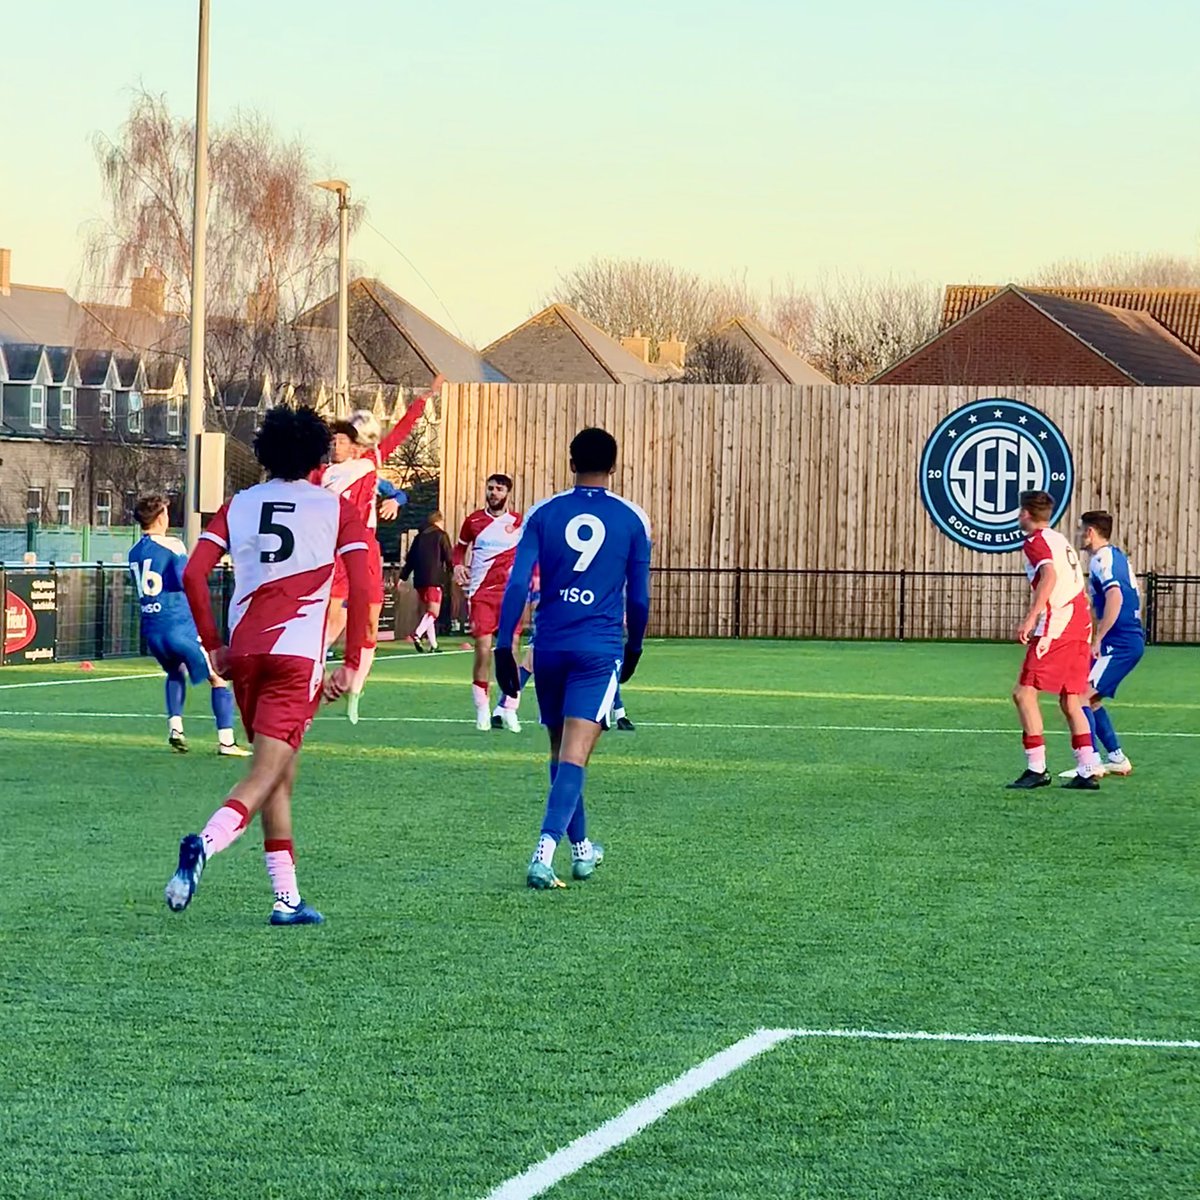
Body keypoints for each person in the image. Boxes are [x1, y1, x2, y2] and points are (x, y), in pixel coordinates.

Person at [165, 404, 372, 925]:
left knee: (280, 772)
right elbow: (366, 584)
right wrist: (351, 662)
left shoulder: (237, 504)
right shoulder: (333, 506)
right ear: (318, 454)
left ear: (263, 451)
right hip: (295, 657)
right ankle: (203, 845)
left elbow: (193, 575)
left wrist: (213, 644)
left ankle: (287, 899)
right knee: (263, 774)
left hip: (245, 652)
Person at [495, 427, 652, 888]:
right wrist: (635, 644)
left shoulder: (544, 513)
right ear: (615, 466)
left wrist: (505, 643)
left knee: (561, 754)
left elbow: (518, 583)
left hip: (550, 648)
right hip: (597, 650)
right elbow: (639, 598)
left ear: (570, 463)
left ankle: (583, 851)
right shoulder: (631, 519)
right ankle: (543, 854)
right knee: (576, 757)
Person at [315, 374, 441, 722]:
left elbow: (399, 434)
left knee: (369, 624)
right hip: (335, 554)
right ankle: (310, 673)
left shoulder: (370, 464)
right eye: (334, 440)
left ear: (355, 445)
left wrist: (424, 398)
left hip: (366, 551)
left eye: (340, 440)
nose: (334, 445)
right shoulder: (321, 474)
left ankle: (355, 691)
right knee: (332, 621)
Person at [127, 494, 248, 757]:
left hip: (152, 629)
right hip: (178, 626)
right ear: (161, 518)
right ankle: (227, 742)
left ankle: (175, 728)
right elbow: (186, 580)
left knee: (174, 673)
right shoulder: (173, 545)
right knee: (217, 678)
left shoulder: (133, 552)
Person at [1007, 490, 1102, 791]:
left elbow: (1048, 576)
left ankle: (1037, 769)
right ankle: (1087, 769)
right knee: (1071, 699)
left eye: (1020, 510)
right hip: (1080, 623)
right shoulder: (1060, 540)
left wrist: (1032, 616)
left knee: (1024, 693)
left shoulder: (1035, 542)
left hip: (1058, 624)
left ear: (1025, 514)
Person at [1058, 510, 1145, 779]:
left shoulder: (1101, 559)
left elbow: (1116, 597)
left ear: (1090, 532)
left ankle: (1091, 762)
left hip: (1120, 642)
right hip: (1125, 639)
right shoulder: (1114, 555)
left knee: (1080, 695)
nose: (1078, 535)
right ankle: (1116, 757)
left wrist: (1099, 638)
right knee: (1089, 698)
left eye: (1080, 529)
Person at [453, 473, 525, 731]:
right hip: (481, 593)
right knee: (483, 650)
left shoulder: (519, 522)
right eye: (491, 488)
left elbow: (531, 552)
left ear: (507, 494)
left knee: (512, 649)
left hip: (510, 594)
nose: (493, 493)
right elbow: (459, 549)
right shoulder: (473, 520)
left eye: (499, 489)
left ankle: (510, 708)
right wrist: (457, 565)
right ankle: (482, 709)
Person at [400, 511, 454, 652]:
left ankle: (434, 645)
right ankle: (417, 634)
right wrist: (453, 573)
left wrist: (403, 577)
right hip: (434, 578)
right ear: (439, 522)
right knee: (434, 612)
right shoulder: (441, 535)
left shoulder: (419, 537)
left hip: (419, 579)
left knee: (428, 612)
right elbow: (449, 557)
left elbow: (410, 559)